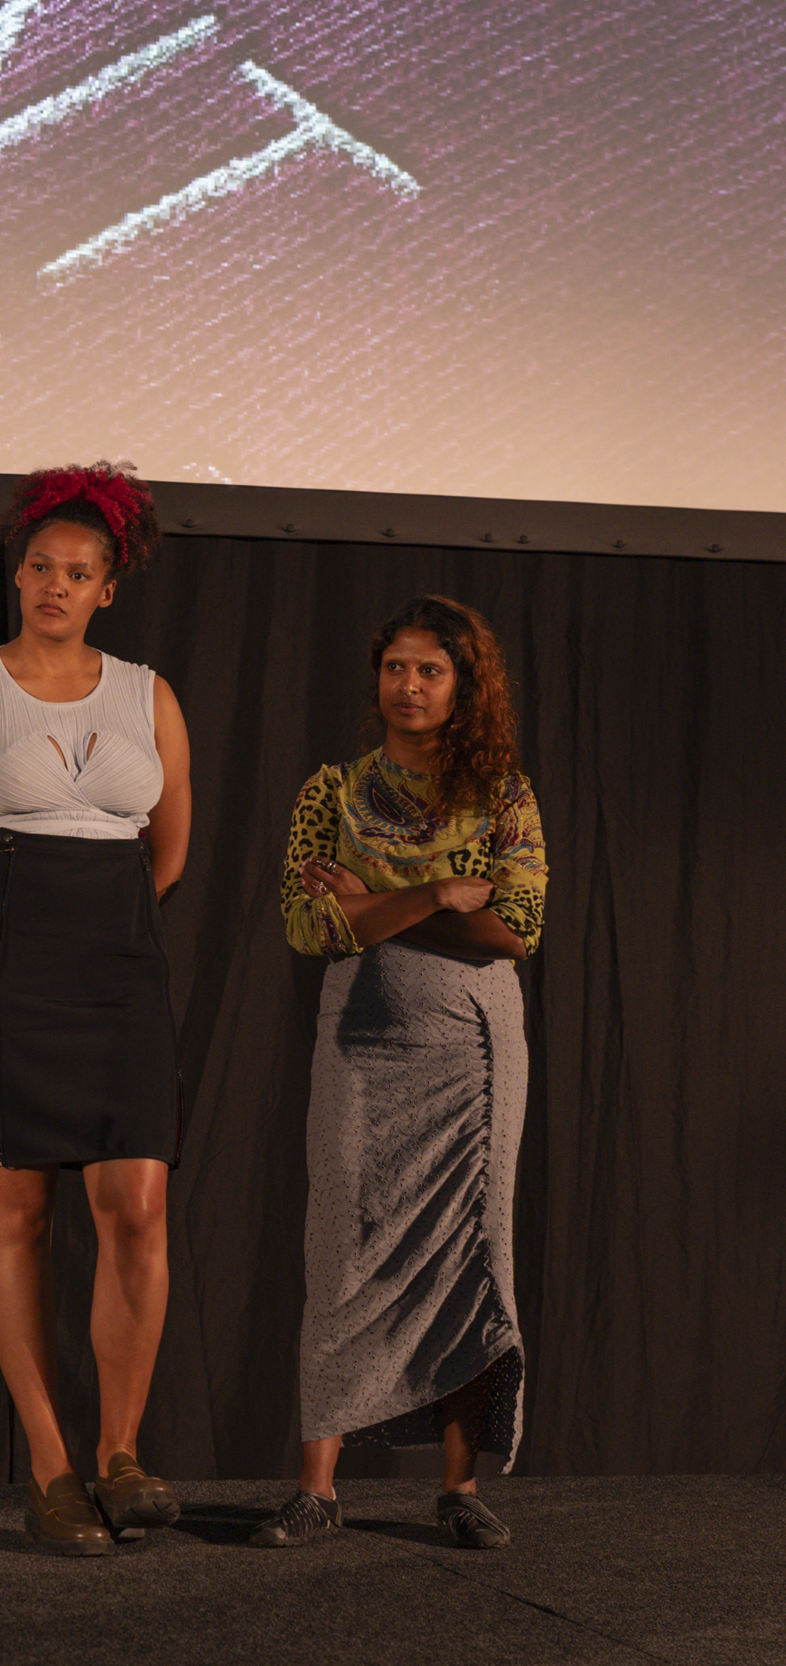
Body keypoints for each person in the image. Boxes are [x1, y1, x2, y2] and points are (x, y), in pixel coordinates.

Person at [0, 463, 191, 1555]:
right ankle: (50, 1468)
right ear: (16, 576)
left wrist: (104, 941)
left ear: (109, 587)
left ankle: (121, 1453)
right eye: (39, 567)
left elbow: (168, 853)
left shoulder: (149, 695)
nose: (55, 585)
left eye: (77, 572)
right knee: (18, 1213)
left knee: (138, 1209)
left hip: (120, 972)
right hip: (4, 975)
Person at [252, 595, 547, 1554]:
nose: (408, 685)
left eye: (430, 670)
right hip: (361, 1041)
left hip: (473, 1051)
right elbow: (310, 928)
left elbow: (515, 930)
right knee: (338, 1247)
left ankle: (457, 1489)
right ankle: (315, 1491)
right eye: (395, 668)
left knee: (472, 1253)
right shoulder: (330, 793)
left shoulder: (502, 796)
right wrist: (431, 893)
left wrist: (372, 901)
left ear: (463, 687)